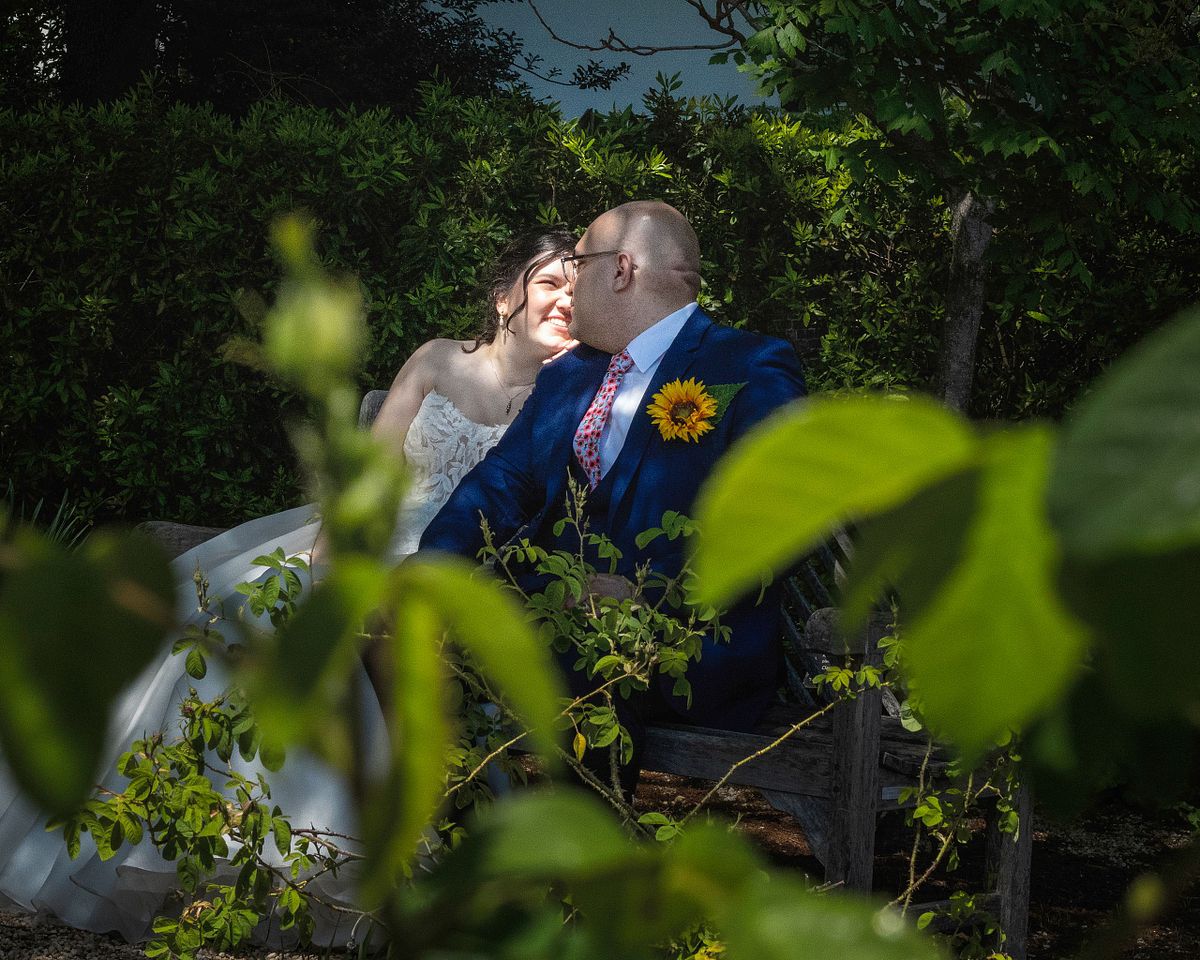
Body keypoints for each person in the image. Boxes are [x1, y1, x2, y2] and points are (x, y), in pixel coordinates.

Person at [0, 227, 577, 943]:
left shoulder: (576, 386)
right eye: (550, 283)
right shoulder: (436, 361)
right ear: (503, 297)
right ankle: (192, 840)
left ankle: (322, 860)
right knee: (235, 616)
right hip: (374, 539)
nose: (565, 301)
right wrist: (326, 562)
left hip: (459, 572)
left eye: (576, 290)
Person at [419, 201, 807, 793]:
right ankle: (429, 837)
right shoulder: (567, 375)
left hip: (684, 646)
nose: (570, 282)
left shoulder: (749, 366)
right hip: (551, 618)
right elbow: (501, 483)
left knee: (584, 663)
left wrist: (647, 597)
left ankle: (578, 872)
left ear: (621, 269)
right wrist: (431, 569)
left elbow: (783, 517)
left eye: (578, 263)